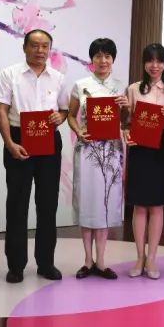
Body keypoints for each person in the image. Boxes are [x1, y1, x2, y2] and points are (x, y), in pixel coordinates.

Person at [0, 29, 68, 283]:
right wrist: (9, 143)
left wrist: (60, 117)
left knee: (48, 204)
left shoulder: (58, 77)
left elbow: (64, 110)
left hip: (48, 141)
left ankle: (46, 263)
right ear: (24, 47)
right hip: (18, 139)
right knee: (17, 204)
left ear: (50, 50)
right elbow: (1, 110)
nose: (40, 50)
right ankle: (16, 265)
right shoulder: (9, 74)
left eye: (45, 46)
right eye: (34, 45)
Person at [65, 38, 128, 280]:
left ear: (113, 59)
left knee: (105, 204)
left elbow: (126, 121)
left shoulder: (121, 87)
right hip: (87, 150)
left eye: (107, 56)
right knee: (87, 203)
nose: (103, 60)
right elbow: (71, 116)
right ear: (92, 59)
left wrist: (126, 107)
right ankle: (87, 260)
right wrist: (79, 131)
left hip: (111, 152)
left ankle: (101, 261)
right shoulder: (80, 85)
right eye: (98, 56)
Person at [124, 43, 164, 280]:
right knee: (139, 205)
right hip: (139, 149)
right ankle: (139, 257)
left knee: (157, 205)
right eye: (150, 61)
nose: (154, 66)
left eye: (159, 61)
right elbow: (127, 122)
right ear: (144, 63)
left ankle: (152, 259)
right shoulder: (134, 89)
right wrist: (126, 124)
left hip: (160, 149)